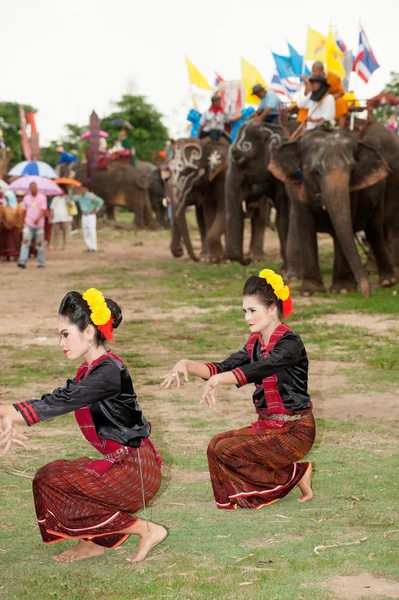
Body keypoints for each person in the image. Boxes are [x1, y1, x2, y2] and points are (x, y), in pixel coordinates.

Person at [0, 288, 166, 563]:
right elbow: (55, 398)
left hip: (135, 471)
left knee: (56, 482)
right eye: (59, 336)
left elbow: (65, 401)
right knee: (48, 477)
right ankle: (93, 542)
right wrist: (9, 414)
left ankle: (146, 529)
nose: (61, 342)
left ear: (89, 332)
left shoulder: (110, 371)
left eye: (65, 334)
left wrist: (10, 413)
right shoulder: (89, 372)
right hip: (120, 464)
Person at [161, 269, 315, 510]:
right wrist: (187, 364)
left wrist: (220, 381)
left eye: (253, 310)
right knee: (216, 446)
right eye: (245, 311)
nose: (247, 317)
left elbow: (260, 368)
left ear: (272, 308)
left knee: (228, 450)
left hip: (294, 430)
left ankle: (292, 473)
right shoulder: (254, 343)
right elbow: (223, 367)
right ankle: (293, 472)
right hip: (268, 426)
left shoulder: (289, 343)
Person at [17, 181, 47, 269]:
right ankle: (22, 261)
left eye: (35, 187)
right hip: (28, 224)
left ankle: (41, 262)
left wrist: (38, 218)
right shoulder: (26, 198)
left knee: (39, 244)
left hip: (39, 224)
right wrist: (21, 222)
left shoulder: (42, 197)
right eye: (32, 187)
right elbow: (24, 211)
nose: (34, 188)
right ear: (29, 189)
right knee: (25, 242)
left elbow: (43, 210)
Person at [69, 186, 104, 252]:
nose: (81, 190)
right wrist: (70, 190)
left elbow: (100, 201)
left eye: (82, 188)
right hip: (84, 215)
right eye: (80, 189)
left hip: (91, 215)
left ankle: (94, 247)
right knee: (85, 232)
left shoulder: (90, 195)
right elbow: (72, 198)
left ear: (86, 189)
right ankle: (89, 247)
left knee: (91, 231)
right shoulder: (80, 197)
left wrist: (96, 210)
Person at [0, 190, 25, 261]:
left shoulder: (18, 206)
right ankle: (7, 256)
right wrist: (6, 224)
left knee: (15, 241)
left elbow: (20, 216)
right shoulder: (3, 207)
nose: (6, 199)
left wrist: (13, 223)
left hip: (15, 226)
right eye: (5, 198)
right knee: (6, 242)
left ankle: (15, 256)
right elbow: (2, 217)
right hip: (5, 227)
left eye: (7, 197)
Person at [50, 184, 75, 251]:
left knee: (65, 232)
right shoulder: (55, 199)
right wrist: (50, 217)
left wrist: (67, 200)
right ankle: (55, 245)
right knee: (56, 233)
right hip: (56, 218)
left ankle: (64, 245)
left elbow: (71, 206)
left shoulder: (67, 197)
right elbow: (52, 208)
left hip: (65, 218)